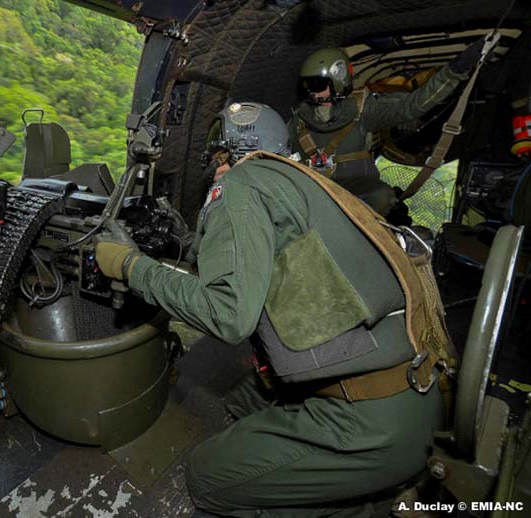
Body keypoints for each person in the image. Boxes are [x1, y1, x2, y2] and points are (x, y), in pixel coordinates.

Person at [95, 104, 454, 517]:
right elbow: (264, 255)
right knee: (242, 402)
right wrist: (186, 242)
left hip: (373, 423)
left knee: (205, 477)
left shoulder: (241, 183)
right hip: (417, 390)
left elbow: (228, 316)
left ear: (238, 152)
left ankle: (359, 505)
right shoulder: (302, 180)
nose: (215, 171)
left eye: (219, 158)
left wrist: (130, 266)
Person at [290, 39, 487, 218]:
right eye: (309, 85)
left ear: (338, 81)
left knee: (382, 197)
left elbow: (413, 105)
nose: (314, 93)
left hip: (358, 192)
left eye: (319, 85)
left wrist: (455, 70)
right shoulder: (297, 120)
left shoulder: (364, 110)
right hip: (311, 191)